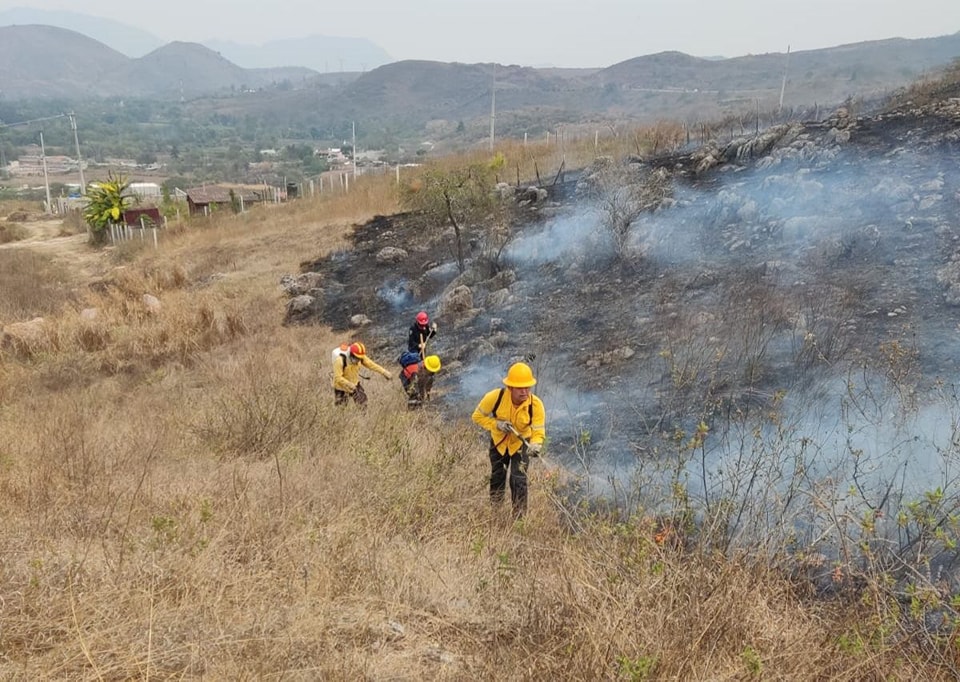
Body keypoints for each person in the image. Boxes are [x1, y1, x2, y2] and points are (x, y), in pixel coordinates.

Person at [471, 362, 546, 518]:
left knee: (519, 479)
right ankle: (495, 512)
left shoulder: (536, 405)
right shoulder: (495, 397)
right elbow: (477, 416)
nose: (525, 392)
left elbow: (538, 431)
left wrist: (536, 444)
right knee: (498, 476)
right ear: (510, 387)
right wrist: (496, 424)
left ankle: (519, 518)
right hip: (499, 443)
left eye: (527, 387)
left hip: (520, 444)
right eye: (520, 388)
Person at [331, 341, 393, 406]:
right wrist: (350, 385)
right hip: (341, 387)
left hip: (355, 384)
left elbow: (371, 364)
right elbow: (338, 378)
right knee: (341, 408)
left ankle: (363, 412)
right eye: (357, 358)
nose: (359, 360)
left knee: (363, 404)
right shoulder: (339, 360)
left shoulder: (360, 357)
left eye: (360, 358)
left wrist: (384, 372)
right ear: (351, 354)